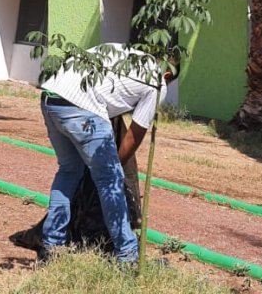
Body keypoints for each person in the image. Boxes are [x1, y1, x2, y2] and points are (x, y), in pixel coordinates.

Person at [36, 44, 171, 265]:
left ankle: (51, 247)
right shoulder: (157, 80)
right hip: (81, 107)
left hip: (50, 98)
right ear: (166, 73)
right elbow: (135, 135)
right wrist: (115, 166)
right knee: (111, 181)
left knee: (69, 171)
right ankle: (128, 258)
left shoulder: (121, 51)